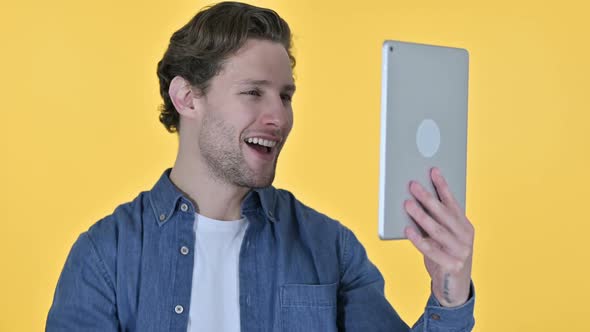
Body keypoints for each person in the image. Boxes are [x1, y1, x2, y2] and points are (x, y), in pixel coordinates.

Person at [46, 2, 475, 331]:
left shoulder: (330, 248)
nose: (280, 117)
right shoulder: (106, 256)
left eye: (285, 96)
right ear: (187, 98)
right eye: (254, 92)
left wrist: (448, 292)